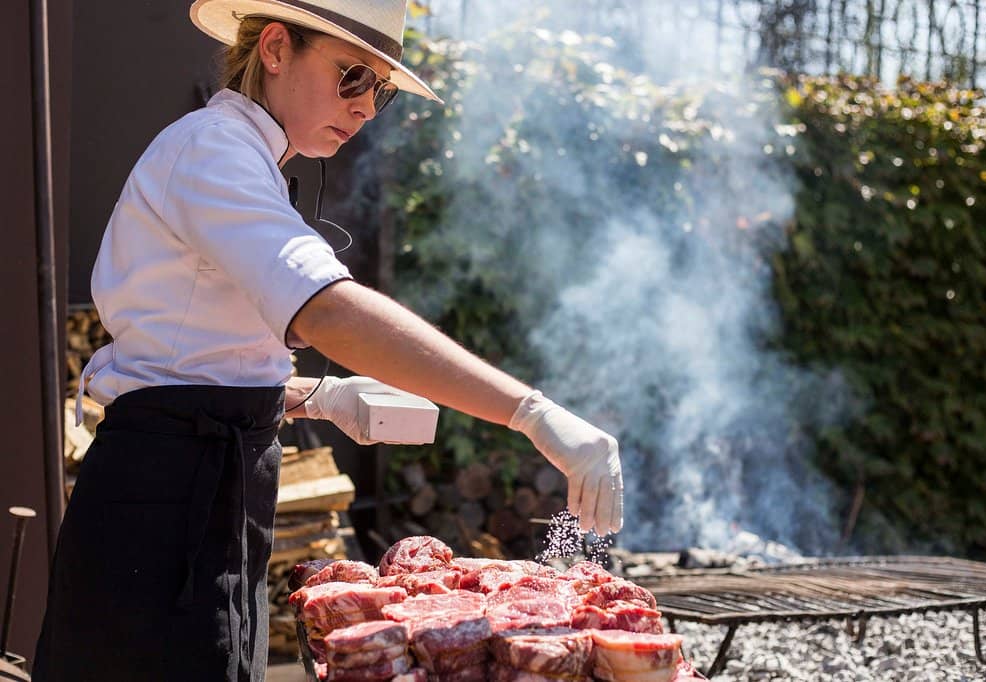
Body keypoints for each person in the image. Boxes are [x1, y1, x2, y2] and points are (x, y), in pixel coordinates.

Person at [33, 0, 623, 679]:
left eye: (382, 88)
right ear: (276, 48)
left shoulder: (243, 157)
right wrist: (531, 413)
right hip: (164, 514)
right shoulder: (212, 149)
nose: (368, 107)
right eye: (353, 76)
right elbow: (328, 313)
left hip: (200, 499)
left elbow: (188, 355)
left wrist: (316, 395)